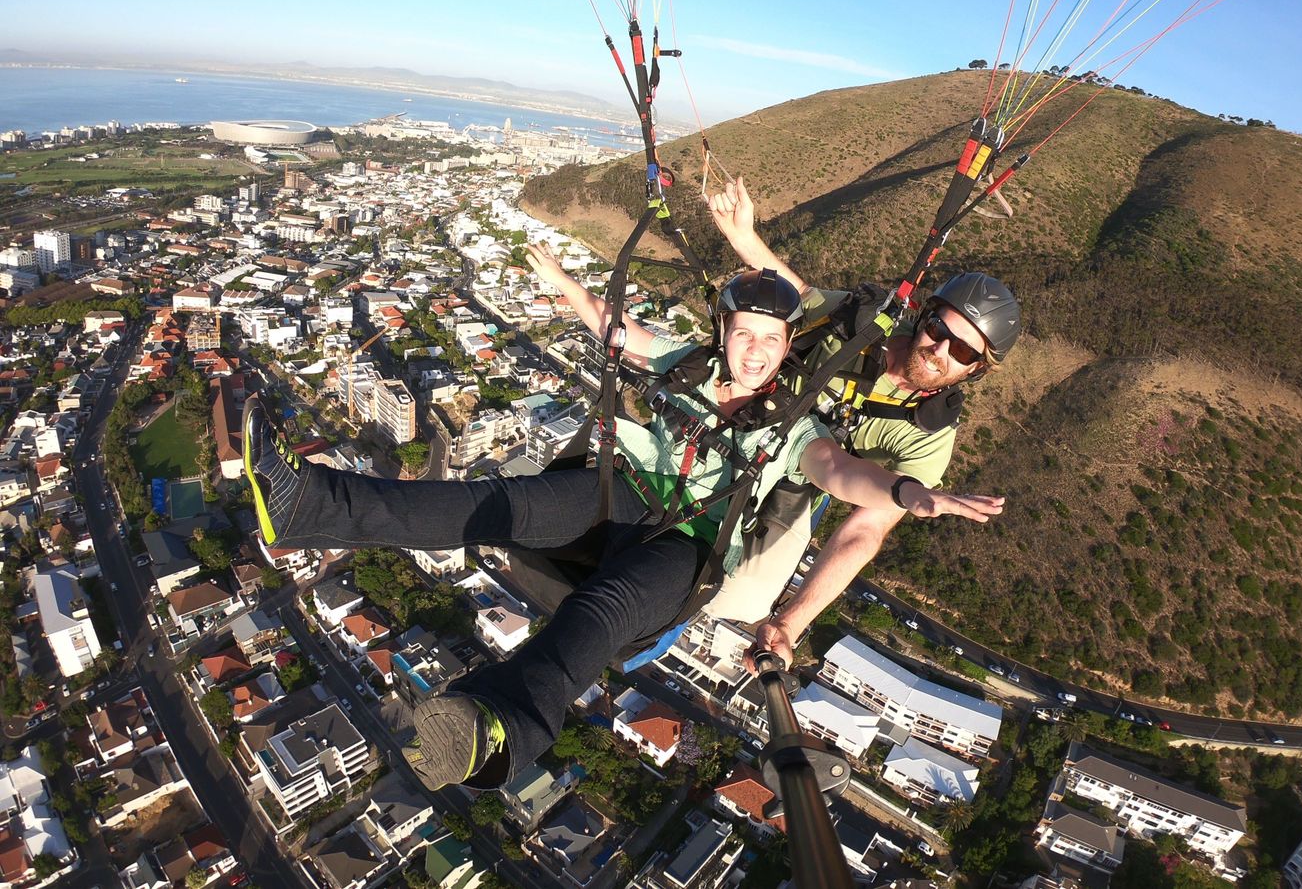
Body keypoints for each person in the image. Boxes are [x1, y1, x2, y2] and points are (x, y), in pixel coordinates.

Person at [243, 241, 1003, 792]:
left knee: (602, 612)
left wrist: (910, 494)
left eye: (959, 348)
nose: (756, 351)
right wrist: (566, 284)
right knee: (497, 503)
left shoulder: (810, 429)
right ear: (725, 334)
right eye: (745, 335)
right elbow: (625, 332)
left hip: (699, 538)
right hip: (632, 484)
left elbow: (845, 479)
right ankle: (305, 502)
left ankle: (497, 729)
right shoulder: (697, 362)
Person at [705, 177, 1022, 672]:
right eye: (939, 330)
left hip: (800, 474)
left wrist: (789, 623)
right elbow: (800, 297)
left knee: (739, 600)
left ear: (976, 368)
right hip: (748, 413)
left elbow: (865, 530)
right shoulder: (865, 325)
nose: (939, 350)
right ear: (924, 317)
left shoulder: (928, 435)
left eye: (961, 350)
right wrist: (743, 237)